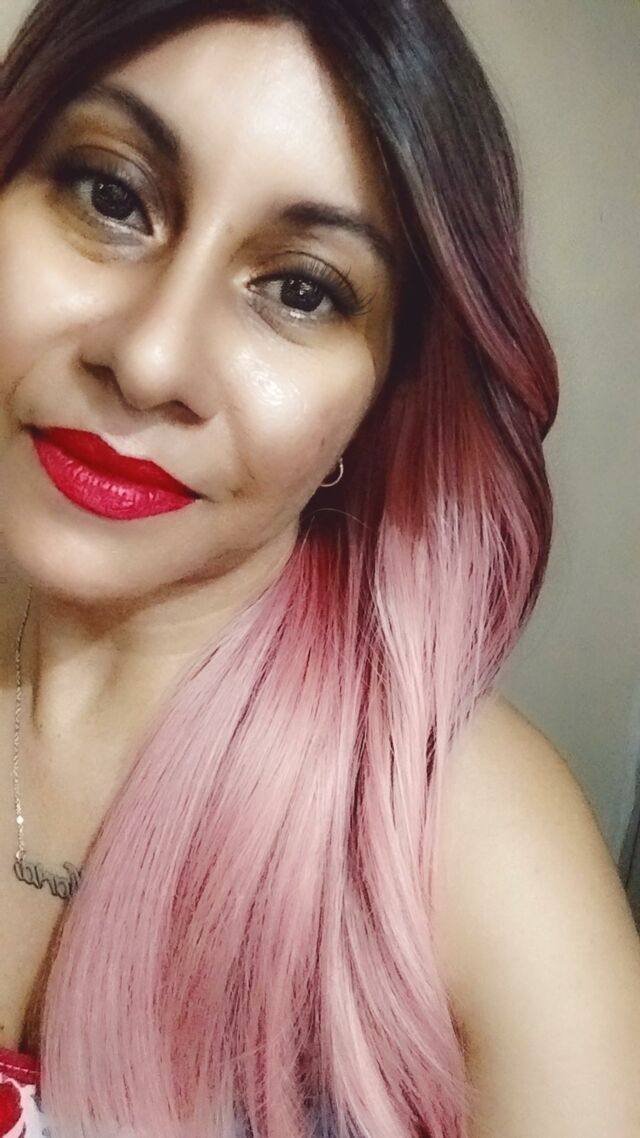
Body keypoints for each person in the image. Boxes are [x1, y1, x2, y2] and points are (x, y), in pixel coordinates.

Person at [1, 1, 639, 1135]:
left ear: (382, 398)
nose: (149, 360)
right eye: (110, 195)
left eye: (302, 289)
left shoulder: (473, 852)